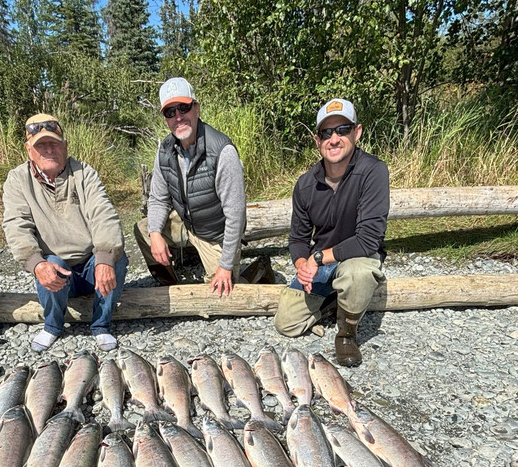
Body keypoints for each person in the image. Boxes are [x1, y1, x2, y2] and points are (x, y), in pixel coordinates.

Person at [274, 98, 389, 367]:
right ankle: (334, 301)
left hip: (358, 256)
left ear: (357, 132)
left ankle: (347, 333)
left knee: (357, 274)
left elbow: (369, 238)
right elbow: (298, 239)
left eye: (342, 130)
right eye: (327, 132)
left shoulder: (373, 171)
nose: (334, 139)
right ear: (318, 140)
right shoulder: (304, 184)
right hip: (320, 263)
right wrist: (302, 264)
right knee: (286, 323)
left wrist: (316, 259)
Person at [2, 113, 127, 353]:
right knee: (51, 262)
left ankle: (101, 325)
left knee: (116, 257)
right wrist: (36, 264)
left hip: (91, 267)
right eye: (41, 145)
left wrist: (104, 257)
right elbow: (16, 225)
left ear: (65, 146)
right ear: (29, 150)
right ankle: (52, 326)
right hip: (55, 270)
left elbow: (103, 213)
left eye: (54, 143)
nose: (49, 149)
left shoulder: (84, 173)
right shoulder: (17, 179)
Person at [134, 77, 249, 296]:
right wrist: (155, 235)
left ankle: (255, 271)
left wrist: (225, 266)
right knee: (143, 229)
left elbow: (236, 215)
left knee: (219, 293)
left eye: (184, 108)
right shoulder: (165, 150)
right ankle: (169, 284)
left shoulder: (223, 151)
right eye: (170, 112)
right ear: (165, 119)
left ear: (196, 108)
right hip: (187, 223)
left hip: (216, 234)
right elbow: (158, 199)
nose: (178, 117)